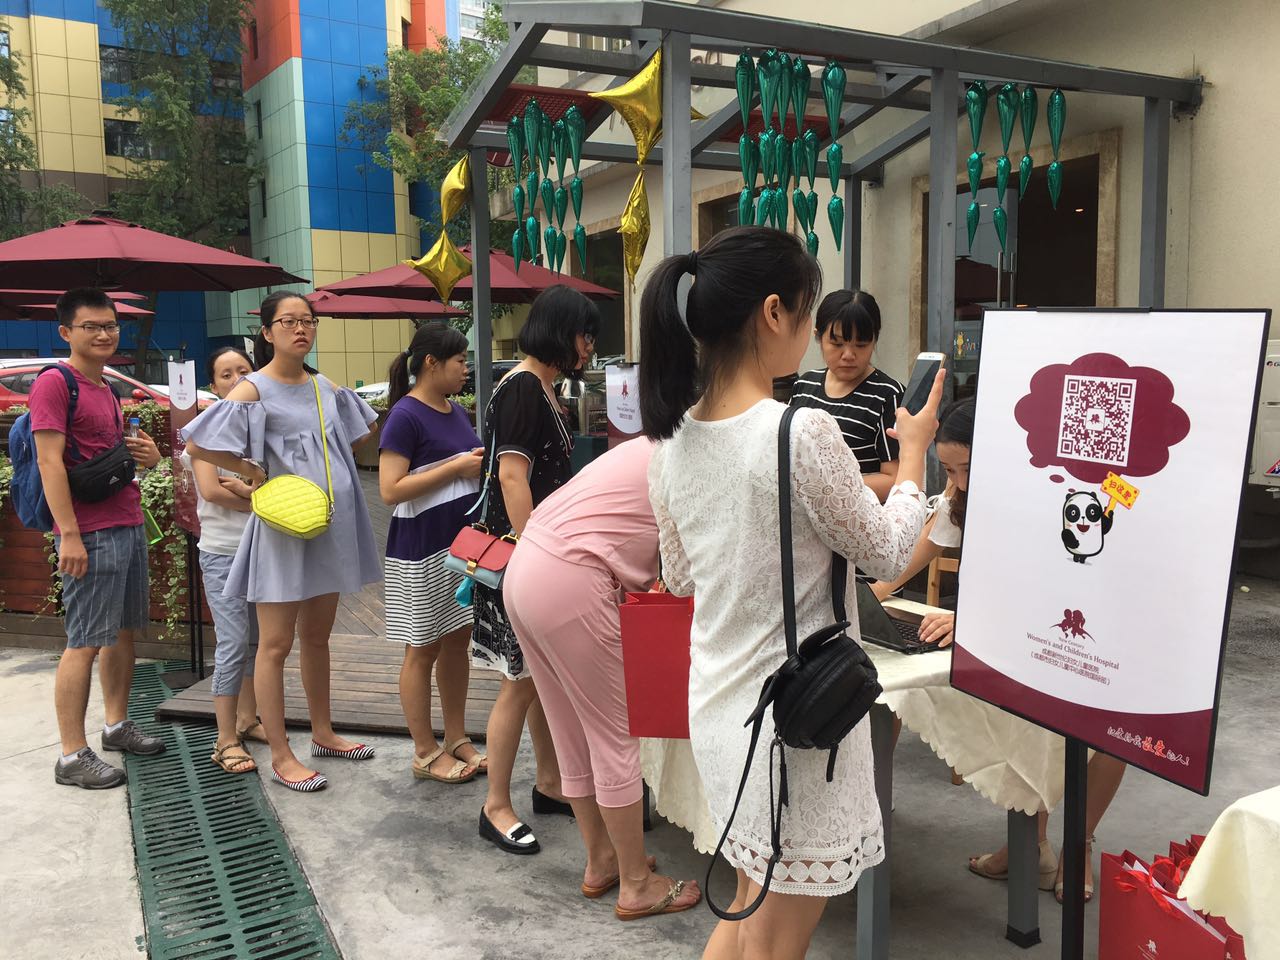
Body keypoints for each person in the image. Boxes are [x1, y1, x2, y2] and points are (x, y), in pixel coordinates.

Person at [640, 227, 942, 960]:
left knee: (750, 910)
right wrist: (912, 457)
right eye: (810, 315)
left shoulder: (671, 441)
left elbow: (680, 577)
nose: (812, 336)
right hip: (796, 722)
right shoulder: (799, 431)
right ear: (774, 313)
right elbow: (886, 550)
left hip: (722, 709)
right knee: (776, 938)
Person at [870, 398, 1126, 904]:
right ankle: (1031, 843)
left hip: (1088, 628)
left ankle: (1080, 845)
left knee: (1102, 733)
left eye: (967, 467)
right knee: (1027, 726)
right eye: (949, 470)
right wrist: (867, 596)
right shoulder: (959, 496)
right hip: (1019, 636)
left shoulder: (1053, 491)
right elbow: (918, 554)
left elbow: (1056, 586)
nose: (959, 481)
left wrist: (971, 620)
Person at [183, 291, 382, 793]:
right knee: (274, 644)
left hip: (328, 524)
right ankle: (280, 754)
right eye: (289, 321)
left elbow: (362, 431)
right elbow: (199, 443)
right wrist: (253, 471)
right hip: (282, 528)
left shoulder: (323, 385)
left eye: (308, 321)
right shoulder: (252, 388)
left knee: (317, 637)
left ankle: (323, 733)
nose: (301, 329)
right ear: (267, 332)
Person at [504, 438, 702, 917]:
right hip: (572, 579)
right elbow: (683, 572)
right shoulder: (690, 457)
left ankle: (602, 860)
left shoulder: (646, 445)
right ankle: (636, 884)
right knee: (616, 737)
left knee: (570, 731)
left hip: (526, 568)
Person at [474, 284, 596, 855]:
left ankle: (549, 783)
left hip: (532, 555)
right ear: (560, 333)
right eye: (584, 336)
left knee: (540, 681)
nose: (589, 348)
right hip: (522, 559)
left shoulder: (540, 385)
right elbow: (512, 476)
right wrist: (533, 552)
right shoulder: (524, 386)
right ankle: (495, 806)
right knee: (519, 683)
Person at [33, 287, 165, 789]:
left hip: (126, 521)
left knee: (123, 632)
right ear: (66, 332)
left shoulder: (106, 387)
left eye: (110, 325)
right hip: (88, 533)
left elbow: (109, 457)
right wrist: (68, 534)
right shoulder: (56, 383)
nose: (104, 333)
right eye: (91, 326)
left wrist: (148, 456)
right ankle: (71, 755)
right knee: (84, 640)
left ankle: (116, 725)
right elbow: (49, 462)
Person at [379, 322, 487, 784]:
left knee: (458, 640)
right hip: (421, 547)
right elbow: (390, 489)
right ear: (431, 362)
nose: (466, 369)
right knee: (422, 647)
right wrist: (456, 467)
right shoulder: (405, 415)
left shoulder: (454, 410)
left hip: (461, 546)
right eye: (460, 360)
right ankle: (424, 751)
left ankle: (456, 737)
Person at [183, 347, 262, 775]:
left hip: (261, 549)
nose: (236, 379)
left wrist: (252, 492)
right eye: (226, 374)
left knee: (255, 642)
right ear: (213, 386)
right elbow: (212, 492)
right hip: (222, 553)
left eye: (243, 371)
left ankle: (248, 719)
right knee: (233, 642)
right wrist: (261, 501)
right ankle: (224, 738)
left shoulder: (259, 429)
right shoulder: (207, 431)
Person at [789, 289, 903, 504]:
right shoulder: (804, 385)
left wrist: (828, 489)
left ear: (875, 339)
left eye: (861, 345)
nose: (849, 355)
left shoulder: (888, 395)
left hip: (859, 516)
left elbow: (894, 478)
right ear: (818, 336)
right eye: (837, 344)